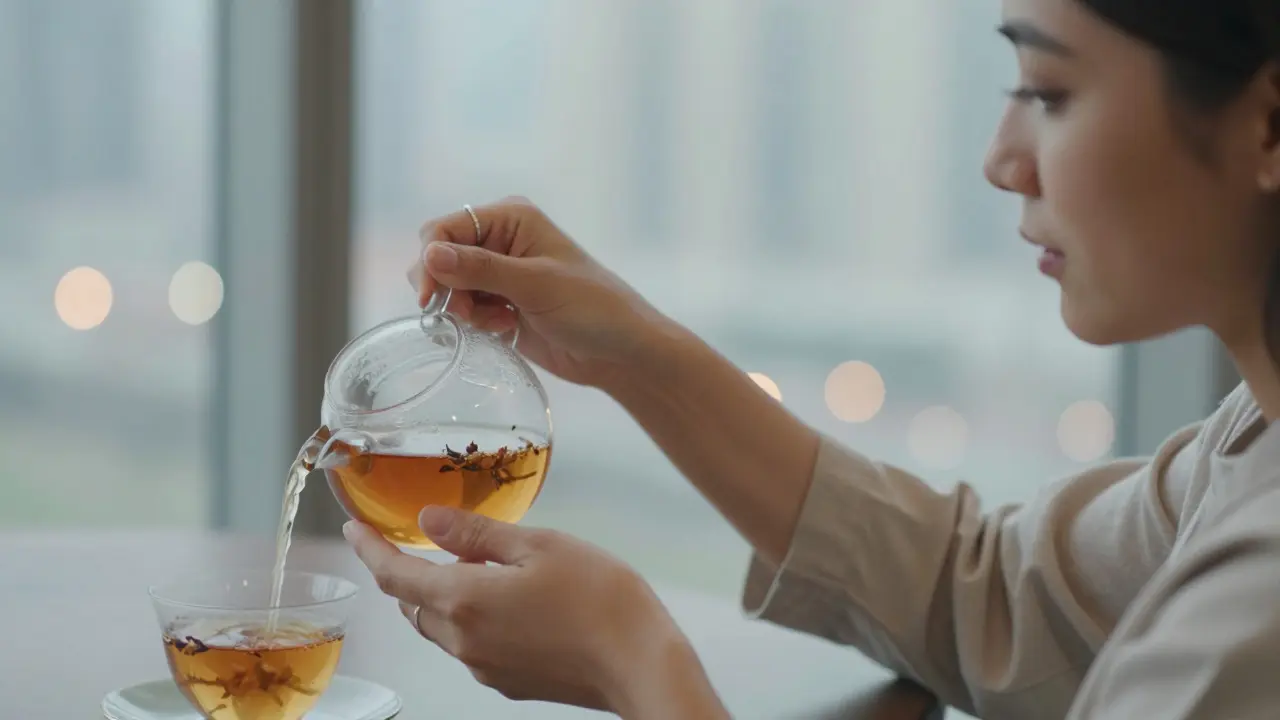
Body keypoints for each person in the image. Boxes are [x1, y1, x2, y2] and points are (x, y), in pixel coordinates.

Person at [342, 0, 1280, 717]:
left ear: (1268, 125)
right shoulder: (1249, 446)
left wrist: (632, 662)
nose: (1001, 159)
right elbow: (992, 596)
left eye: (1048, 92)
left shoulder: (1257, 600)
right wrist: (633, 348)